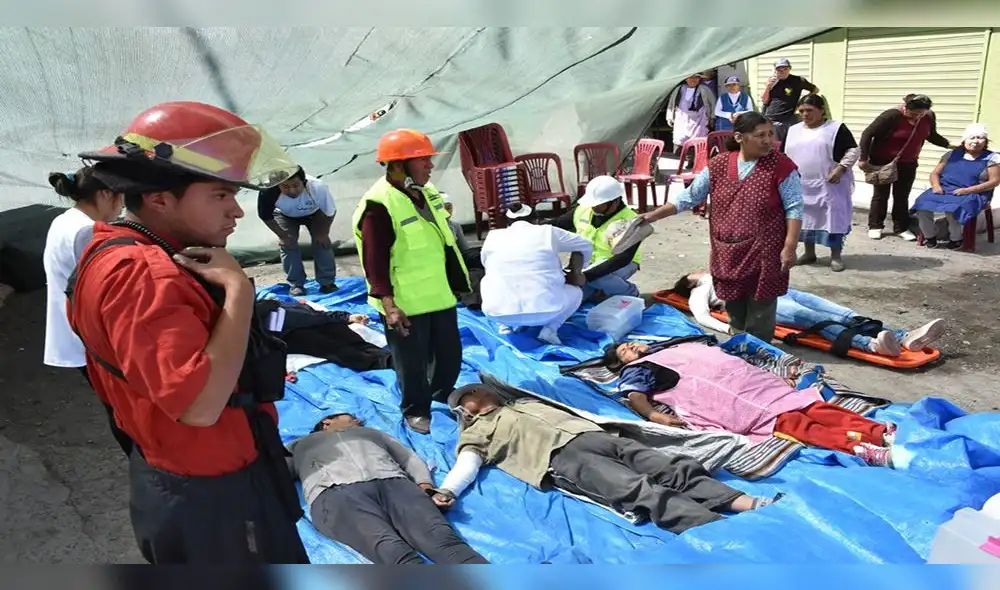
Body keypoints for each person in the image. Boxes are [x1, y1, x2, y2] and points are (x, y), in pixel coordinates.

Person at [66, 100, 309, 563]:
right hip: (211, 497)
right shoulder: (144, 272)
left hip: (185, 477)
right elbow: (199, 405)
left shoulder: (113, 249)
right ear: (159, 198)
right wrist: (238, 290)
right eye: (220, 195)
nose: (236, 212)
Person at [437, 383, 782, 535]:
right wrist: (448, 491)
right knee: (638, 490)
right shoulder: (475, 432)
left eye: (480, 388)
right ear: (464, 408)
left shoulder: (523, 403)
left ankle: (747, 504)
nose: (481, 391)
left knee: (669, 468)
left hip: (600, 438)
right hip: (563, 459)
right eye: (472, 392)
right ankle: (713, 529)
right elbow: (468, 463)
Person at [640, 112, 804, 343]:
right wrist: (652, 216)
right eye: (760, 135)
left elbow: (794, 208)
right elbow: (689, 197)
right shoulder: (718, 165)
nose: (768, 140)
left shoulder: (781, 166)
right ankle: (740, 348)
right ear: (739, 137)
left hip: (765, 251)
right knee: (734, 309)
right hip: (727, 251)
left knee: (761, 311)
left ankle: (761, 354)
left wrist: (790, 246)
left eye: (770, 134)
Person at [604, 341, 897, 467]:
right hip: (732, 399)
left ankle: (876, 431)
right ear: (621, 364)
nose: (631, 348)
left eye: (630, 343)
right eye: (624, 351)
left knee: (815, 406)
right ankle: (861, 448)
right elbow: (635, 395)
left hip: (754, 383)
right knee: (795, 423)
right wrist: (654, 415)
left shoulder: (677, 346)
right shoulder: (639, 368)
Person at [351, 129, 472, 435]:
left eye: (429, 159)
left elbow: (444, 242)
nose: (430, 166)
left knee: (448, 355)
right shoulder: (379, 205)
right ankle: (416, 409)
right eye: (423, 160)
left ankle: (441, 393)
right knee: (412, 363)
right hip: (404, 303)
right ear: (398, 165)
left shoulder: (425, 193)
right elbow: (374, 262)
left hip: (438, 294)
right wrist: (389, 306)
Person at [288, 412, 489, 564]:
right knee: (394, 553)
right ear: (327, 422)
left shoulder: (371, 434)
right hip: (336, 494)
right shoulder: (300, 445)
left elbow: (408, 457)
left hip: (396, 484)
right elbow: (274, 473)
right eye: (352, 418)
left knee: (445, 542)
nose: (358, 421)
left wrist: (426, 487)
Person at [43, 167, 132, 457]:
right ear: (106, 194)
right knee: (123, 405)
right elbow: (102, 288)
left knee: (114, 403)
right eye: (120, 198)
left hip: (73, 333)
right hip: (89, 338)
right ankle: (143, 461)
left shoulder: (63, 220)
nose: (121, 207)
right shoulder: (86, 231)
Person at [672, 271, 946, 356]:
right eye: (693, 272)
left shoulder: (719, 267)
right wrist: (729, 330)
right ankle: (871, 345)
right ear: (690, 280)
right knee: (815, 319)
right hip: (757, 300)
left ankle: (902, 336)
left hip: (778, 288)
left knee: (842, 312)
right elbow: (702, 317)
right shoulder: (701, 289)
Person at [480, 203, 591, 345]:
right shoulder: (548, 232)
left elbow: (486, 265)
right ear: (536, 220)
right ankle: (550, 330)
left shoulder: (493, 237)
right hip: (547, 312)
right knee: (576, 292)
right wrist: (579, 270)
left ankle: (505, 327)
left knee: (492, 280)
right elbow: (585, 245)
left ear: (507, 223)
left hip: (497, 313)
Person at [859, 94, 954, 241]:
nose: (917, 116)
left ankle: (901, 228)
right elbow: (868, 134)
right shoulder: (892, 115)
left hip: (908, 163)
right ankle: (875, 226)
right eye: (914, 113)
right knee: (881, 195)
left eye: (921, 113)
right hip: (883, 162)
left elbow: (931, 135)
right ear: (906, 107)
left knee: (902, 196)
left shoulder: (928, 117)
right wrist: (863, 158)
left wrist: (948, 144)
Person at [784, 94, 859, 272]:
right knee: (805, 219)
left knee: (832, 219)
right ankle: (809, 253)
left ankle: (836, 256)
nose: (805, 114)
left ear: (821, 110)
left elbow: (853, 150)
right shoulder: (793, 130)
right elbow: (784, 154)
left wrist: (841, 168)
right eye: (801, 111)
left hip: (830, 183)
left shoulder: (835, 128)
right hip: (801, 183)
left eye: (809, 110)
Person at [549, 175, 641, 301]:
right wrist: (525, 224)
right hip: (588, 264)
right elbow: (557, 224)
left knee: (600, 279)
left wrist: (587, 276)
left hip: (622, 264)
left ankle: (631, 292)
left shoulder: (631, 220)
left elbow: (622, 259)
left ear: (615, 201)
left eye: (598, 204)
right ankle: (597, 290)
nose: (594, 207)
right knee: (571, 297)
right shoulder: (583, 210)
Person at [912, 123, 999, 249]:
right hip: (945, 188)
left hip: (975, 193)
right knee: (921, 205)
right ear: (964, 141)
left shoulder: (992, 158)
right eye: (972, 138)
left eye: (980, 138)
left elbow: (994, 182)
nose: (975, 141)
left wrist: (967, 190)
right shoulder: (951, 154)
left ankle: (956, 239)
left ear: (985, 141)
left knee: (953, 208)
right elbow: (935, 173)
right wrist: (936, 186)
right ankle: (930, 236)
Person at [257, 167, 338, 296]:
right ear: (278, 186)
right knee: (288, 245)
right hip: (284, 215)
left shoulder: (317, 187)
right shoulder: (268, 191)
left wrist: (323, 233)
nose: (292, 191)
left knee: (321, 242)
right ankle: (296, 284)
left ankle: (327, 282)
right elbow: (265, 216)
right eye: (285, 187)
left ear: (304, 182)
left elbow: (329, 211)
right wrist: (283, 236)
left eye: (296, 185)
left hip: (315, 213)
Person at [760, 58, 819, 144]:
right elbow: (764, 100)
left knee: (788, 145)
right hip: (771, 119)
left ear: (789, 69)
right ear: (775, 70)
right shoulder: (772, 81)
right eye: (779, 69)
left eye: (785, 68)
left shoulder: (798, 80)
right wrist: (768, 87)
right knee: (773, 146)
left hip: (788, 119)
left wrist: (802, 102)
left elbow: (815, 90)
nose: (782, 71)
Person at [665, 74, 716, 154]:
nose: (694, 79)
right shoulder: (678, 89)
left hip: (699, 122)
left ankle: (692, 162)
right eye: (691, 77)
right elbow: (671, 104)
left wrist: (712, 117)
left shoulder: (705, 89)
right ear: (686, 79)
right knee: (680, 142)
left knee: (697, 143)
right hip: (681, 120)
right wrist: (669, 117)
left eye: (696, 77)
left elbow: (713, 103)